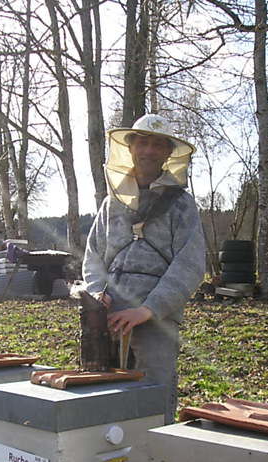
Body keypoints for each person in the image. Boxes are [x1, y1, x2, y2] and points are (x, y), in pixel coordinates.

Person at [82, 114, 206, 424]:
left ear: (168, 153)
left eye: (158, 145)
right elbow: (93, 256)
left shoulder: (182, 205)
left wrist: (148, 310)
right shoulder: (111, 204)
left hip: (157, 321)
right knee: (101, 397)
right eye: (143, 142)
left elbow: (190, 265)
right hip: (107, 319)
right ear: (131, 146)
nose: (149, 151)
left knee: (153, 398)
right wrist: (97, 292)